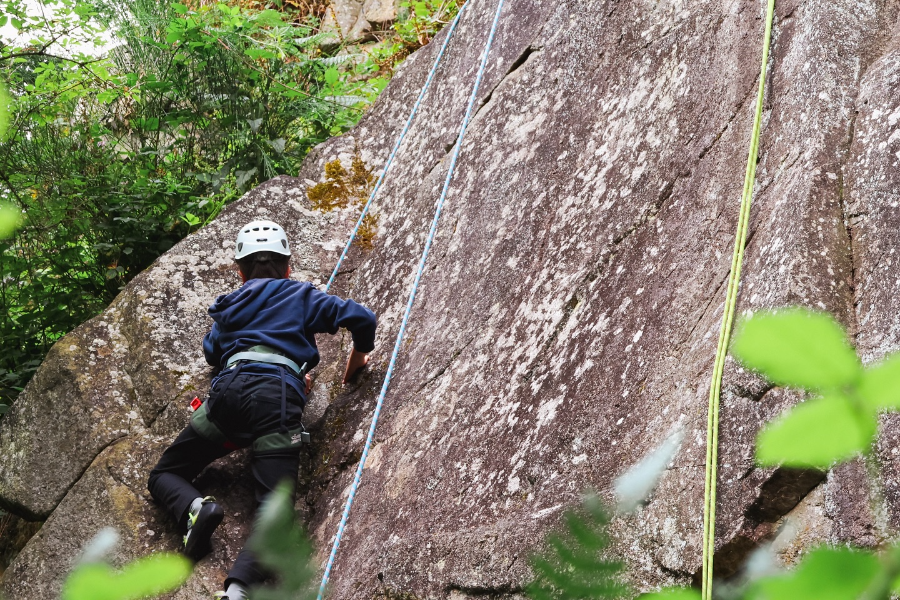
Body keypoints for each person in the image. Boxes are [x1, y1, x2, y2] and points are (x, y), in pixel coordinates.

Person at [147, 219, 377, 600]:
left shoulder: (229, 306)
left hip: (229, 397)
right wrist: (356, 359)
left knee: (165, 473)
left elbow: (211, 353)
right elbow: (363, 319)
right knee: (275, 510)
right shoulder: (301, 296)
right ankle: (237, 591)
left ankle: (193, 508)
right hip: (276, 400)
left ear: (240, 272)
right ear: (288, 266)